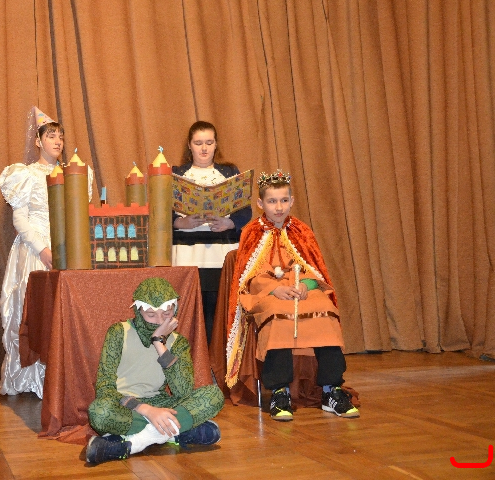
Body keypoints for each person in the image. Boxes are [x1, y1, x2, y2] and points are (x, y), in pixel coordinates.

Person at [225, 170, 359, 421]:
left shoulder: (301, 231)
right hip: (267, 292)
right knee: (278, 315)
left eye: (284, 200)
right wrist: (274, 288)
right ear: (260, 203)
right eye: (272, 201)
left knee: (326, 311)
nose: (279, 207)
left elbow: (314, 268)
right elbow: (247, 275)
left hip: (302, 289)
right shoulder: (251, 232)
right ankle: (280, 392)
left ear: (292, 201)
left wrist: (306, 284)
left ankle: (331, 390)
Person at [85, 277, 224, 464]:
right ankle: (174, 431)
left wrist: (159, 343)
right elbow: (104, 387)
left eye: (166, 314)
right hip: (126, 406)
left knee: (214, 395)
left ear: (175, 309)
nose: (159, 321)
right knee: (99, 412)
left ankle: (135, 442)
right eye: (151, 315)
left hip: (162, 403)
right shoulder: (118, 332)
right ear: (138, 310)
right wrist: (147, 410)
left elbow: (183, 390)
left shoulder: (178, 342)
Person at [0, 107, 66, 397]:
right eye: (51, 136)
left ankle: (58, 378)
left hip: (65, 250)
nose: (58, 141)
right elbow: (20, 220)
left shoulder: (72, 174)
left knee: (60, 314)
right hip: (34, 252)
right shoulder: (25, 175)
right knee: (31, 313)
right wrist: (43, 249)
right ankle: (29, 378)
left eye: (60, 136)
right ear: (38, 141)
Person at [172, 121, 252, 342]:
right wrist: (180, 223)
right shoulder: (176, 174)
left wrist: (230, 223)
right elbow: (161, 213)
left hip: (222, 252)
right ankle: (194, 358)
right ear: (189, 145)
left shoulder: (229, 172)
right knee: (190, 310)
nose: (204, 148)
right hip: (188, 253)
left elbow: (245, 210)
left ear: (216, 144)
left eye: (209, 142)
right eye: (198, 143)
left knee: (219, 311)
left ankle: (219, 358)